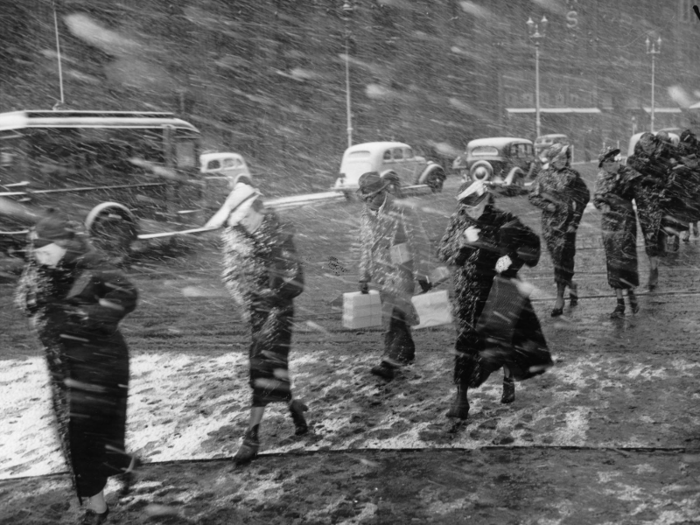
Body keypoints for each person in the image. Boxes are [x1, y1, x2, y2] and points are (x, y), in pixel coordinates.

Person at [15, 210, 139, 525]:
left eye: (46, 250)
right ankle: (121, 468)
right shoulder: (38, 269)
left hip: (101, 363)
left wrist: (87, 317)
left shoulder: (90, 265)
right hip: (65, 368)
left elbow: (127, 293)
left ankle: (98, 507)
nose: (39, 256)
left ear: (62, 244)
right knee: (78, 437)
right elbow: (34, 306)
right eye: (37, 251)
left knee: (89, 434)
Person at [204, 180, 308, 466]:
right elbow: (230, 276)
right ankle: (294, 408)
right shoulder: (235, 238)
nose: (244, 223)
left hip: (279, 313)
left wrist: (272, 296)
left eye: (247, 216)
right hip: (255, 314)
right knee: (273, 367)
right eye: (240, 219)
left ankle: (252, 437)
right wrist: (248, 302)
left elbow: (297, 280)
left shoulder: (281, 237)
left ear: (256, 209)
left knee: (262, 369)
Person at [437, 180, 552, 419]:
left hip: (501, 289)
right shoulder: (458, 221)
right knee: (466, 341)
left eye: (477, 206)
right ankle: (461, 397)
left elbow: (531, 245)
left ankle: (508, 377)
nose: (472, 211)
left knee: (505, 337)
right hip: (469, 290)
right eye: (468, 208)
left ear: (487, 198)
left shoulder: (505, 219)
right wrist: (462, 242)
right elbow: (444, 254)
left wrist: (512, 259)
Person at [357, 171, 432, 381]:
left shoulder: (402, 209)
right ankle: (405, 353)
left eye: (372, 196)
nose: (368, 201)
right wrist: (363, 275)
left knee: (396, 317)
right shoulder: (365, 215)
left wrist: (423, 273)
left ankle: (389, 361)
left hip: (402, 271)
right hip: (381, 274)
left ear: (383, 192)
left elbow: (420, 242)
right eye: (365, 198)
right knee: (394, 317)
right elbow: (366, 247)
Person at [528, 143, 590, 316]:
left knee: (565, 259)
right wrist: (547, 206)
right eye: (558, 157)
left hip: (568, 225)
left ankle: (559, 297)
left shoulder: (572, 176)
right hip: (549, 226)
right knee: (557, 260)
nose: (562, 161)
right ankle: (570, 285)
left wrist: (575, 221)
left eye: (564, 157)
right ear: (551, 158)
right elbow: (532, 196)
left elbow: (584, 197)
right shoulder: (542, 175)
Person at [593, 149, 641, 318]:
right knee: (612, 259)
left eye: (611, 163)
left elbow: (641, 197)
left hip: (626, 221)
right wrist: (601, 205)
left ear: (617, 161)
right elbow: (596, 197)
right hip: (609, 223)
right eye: (605, 164)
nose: (608, 167)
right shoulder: (602, 177)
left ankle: (631, 294)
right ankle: (619, 302)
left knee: (627, 257)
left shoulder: (630, 175)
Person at [626, 133, 675, 289]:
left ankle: (657, 259)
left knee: (661, 235)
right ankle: (653, 268)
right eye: (644, 146)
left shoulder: (665, 160)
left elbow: (671, 181)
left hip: (663, 203)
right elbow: (630, 182)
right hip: (645, 205)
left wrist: (657, 182)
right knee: (649, 236)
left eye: (650, 145)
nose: (647, 149)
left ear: (655, 144)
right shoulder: (633, 161)